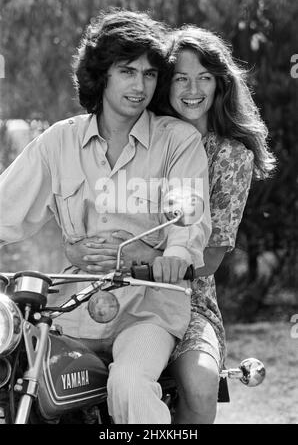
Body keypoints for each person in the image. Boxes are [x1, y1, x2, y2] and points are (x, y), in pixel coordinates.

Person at [0, 10, 212, 424]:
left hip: (148, 307)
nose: (140, 86)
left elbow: (190, 219)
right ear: (102, 74)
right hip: (71, 309)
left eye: (150, 75)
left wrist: (174, 255)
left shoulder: (177, 141)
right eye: (127, 71)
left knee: (130, 383)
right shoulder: (58, 142)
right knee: (18, 381)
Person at [65, 24, 276, 424]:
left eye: (205, 78)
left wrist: (139, 254)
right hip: (106, 286)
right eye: (180, 77)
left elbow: (209, 259)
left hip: (187, 296)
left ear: (220, 85)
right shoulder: (137, 130)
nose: (192, 89)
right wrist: (78, 248)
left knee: (200, 381)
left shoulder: (230, 156)